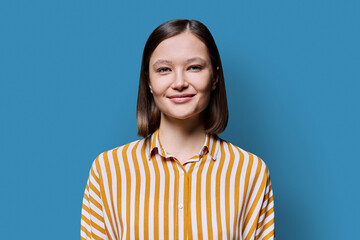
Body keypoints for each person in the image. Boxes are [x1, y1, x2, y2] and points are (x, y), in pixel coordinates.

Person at [80, 19, 275, 240]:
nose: (179, 82)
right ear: (149, 81)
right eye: (164, 70)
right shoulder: (108, 170)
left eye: (194, 67)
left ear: (215, 77)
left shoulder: (251, 171)